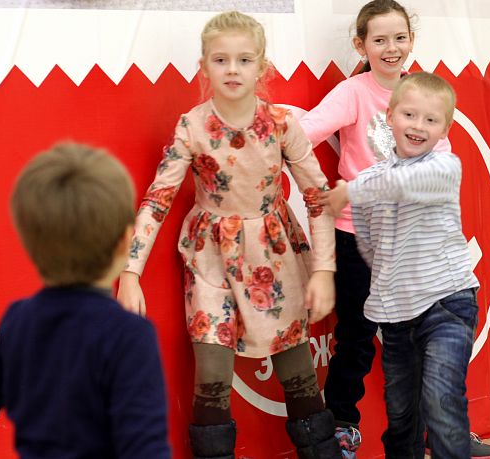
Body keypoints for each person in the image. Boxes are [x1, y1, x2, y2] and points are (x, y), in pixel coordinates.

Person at [117, 10, 340, 459]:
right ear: (204, 66)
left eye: (244, 60)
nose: (232, 69)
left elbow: (318, 198)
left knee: (298, 373)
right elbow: (157, 199)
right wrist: (129, 272)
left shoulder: (281, 124)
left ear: (262, 67)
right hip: (210, 258)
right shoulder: (192, 127)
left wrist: (323, 270)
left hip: (275, 257)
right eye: (221, 60)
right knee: (212, 376)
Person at [299, 2, 490, 458]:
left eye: (399, 38)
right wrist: (256, 134)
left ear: (411, 40)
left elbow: (436, 169)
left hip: (413, 245)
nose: (391, 48)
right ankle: (342, 428)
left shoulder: (424, 93)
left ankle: (441, 430)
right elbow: (305, 131)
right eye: (379, 40)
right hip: (360, 239)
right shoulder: (353, 93)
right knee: (355, 338)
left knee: (431, 344)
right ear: (361, 46)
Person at [0, 143, 170, 459]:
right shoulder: (130, 335)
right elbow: (145, 448)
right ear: (125, 242)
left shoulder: (20, 321)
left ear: (29, 244)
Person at [323, 71, 479, 458]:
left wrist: (349, 190)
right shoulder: (373, 177)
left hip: (447, 305)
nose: (418, 126)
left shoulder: (443, 166)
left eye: (431, 119)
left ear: (445, 129)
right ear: (389, 117)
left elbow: (403, 183)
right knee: (402, 416)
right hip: (397, 318)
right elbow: (369, 241)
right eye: (409, 115)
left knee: (441, 403)